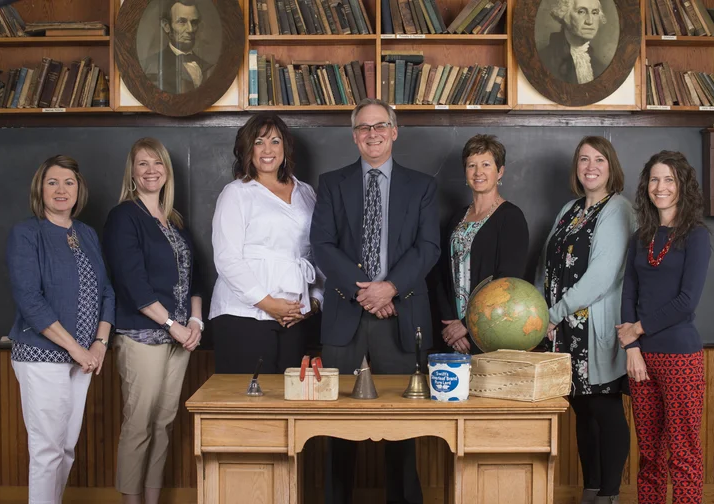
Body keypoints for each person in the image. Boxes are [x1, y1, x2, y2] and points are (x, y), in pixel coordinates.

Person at [310, 98, 440, 504]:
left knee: (402, 428)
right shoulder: (332, 182)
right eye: (364, 128)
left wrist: (390, 288)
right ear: (354, 136)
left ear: (394, 131)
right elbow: (322, 245)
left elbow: (428, 247)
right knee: (337, 428)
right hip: (345, 316)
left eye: (380, 126)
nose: (373, 134)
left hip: (401, 316)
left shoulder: (422, 186)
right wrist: (365, 291)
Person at [6, 155, 114, 504]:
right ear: (40, 188)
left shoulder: (86, 234)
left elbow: (107, 292)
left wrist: (99, 343)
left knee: (65, 449)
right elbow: (30, 300)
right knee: (47, 451)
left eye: (68, 182)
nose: (61, 189)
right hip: (42, 356)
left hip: (83, 358)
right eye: (52, 182)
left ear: (79, 189)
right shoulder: (27, 233)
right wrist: (76, 348)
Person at [103, 138, 204, 504]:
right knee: (139, 424)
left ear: (166, 171)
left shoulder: (174, 222)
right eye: (142, 164)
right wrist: (172, 325)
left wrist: (195, 323)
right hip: (142, 336)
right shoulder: (124, 216)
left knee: (163, 423)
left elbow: (196, 279)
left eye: (156, 163)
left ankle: (152, 499)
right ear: (132, 172)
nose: (150, 170)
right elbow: (132, 282)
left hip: (181, 340)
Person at [536, 136, 635, 504]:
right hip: (560, 332)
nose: (590, 167)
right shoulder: (569, 209)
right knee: (582, 410)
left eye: (599, 160)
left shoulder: (618, 209)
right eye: (583, 160)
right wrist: (536, 314)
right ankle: (590, 489)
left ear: (611, 167)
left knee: (605, 409)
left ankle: (608, 494)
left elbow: (601, 276)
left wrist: (553, 313)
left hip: (594, 331)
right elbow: (546, 266)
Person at [618, 151, 711, 504]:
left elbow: (687, 301)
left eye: (669, 179)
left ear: (682, 186)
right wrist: (632, 349)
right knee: (650, 455)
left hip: (680, 357)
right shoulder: (640, 237)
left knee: (683, 452)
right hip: (641, 362)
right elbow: (629, 292)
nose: (661, 187)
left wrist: (637, 330)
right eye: (655, 179)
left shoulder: (696, 237)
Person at [210, 112, 323, 374]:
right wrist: (267, 303)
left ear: (285, 146)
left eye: (274, 141)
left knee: (286, 401)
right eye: (258, 142)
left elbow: (318, 252)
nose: (267, 150)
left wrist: (314, 301)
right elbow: (227, 259)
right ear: (247, 150)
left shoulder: (306, 192)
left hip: (294, 317)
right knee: (248, 400)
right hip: (243, 315)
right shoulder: (236, 193)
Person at [436, 134, 529, 354]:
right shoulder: (456, 218)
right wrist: (451, 323)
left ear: (500, 171)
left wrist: (467, 325)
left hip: (490, 329)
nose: (478, 172)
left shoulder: (511, 217)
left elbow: (507, 282)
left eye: (486, 164)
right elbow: (440, 272)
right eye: (472, 165)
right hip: (452, 334)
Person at [144, 0, 214, 94]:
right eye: (182, 22)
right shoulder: (150, 66)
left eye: (194, 22)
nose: (190, 29)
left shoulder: (208, 67)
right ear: (166, 26)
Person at [539, 0, 608, 84]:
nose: (590, 21)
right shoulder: (544, 61)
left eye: (594, 12)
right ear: (564, 15)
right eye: (581, 12)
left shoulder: (600, 67)